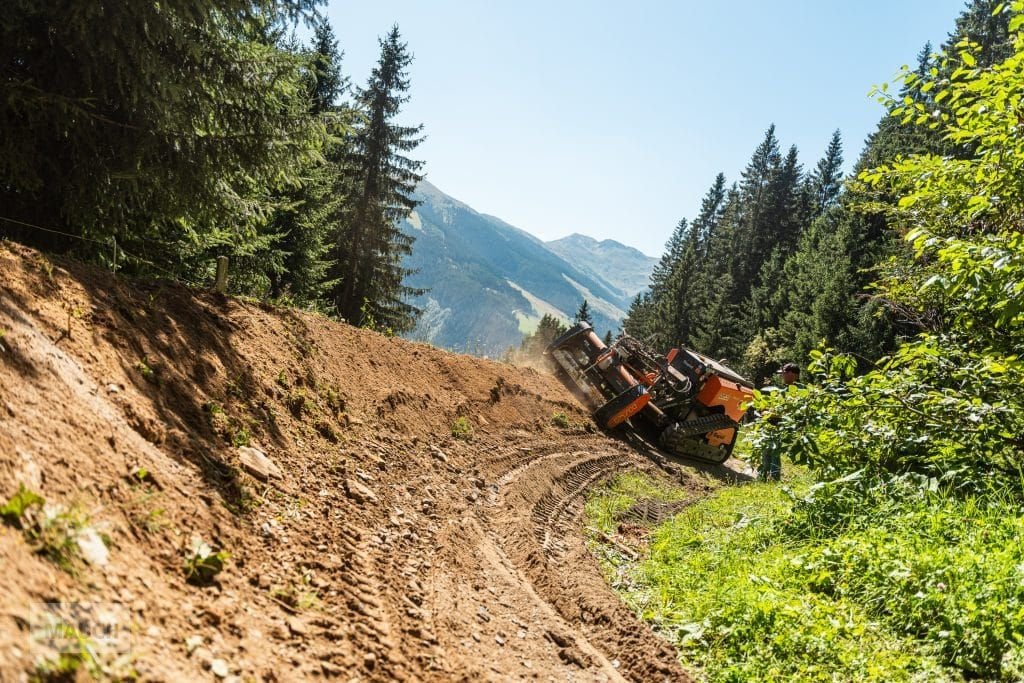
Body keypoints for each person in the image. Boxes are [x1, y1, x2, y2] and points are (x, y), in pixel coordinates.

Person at [758, 362, 800, 481]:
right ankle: (762, 477)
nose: (782, 376)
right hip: (772, 424)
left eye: (784, 374)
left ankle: (774, 479)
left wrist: (769, 413)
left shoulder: (798, 390)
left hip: (781, 426)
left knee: (774, 452)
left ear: (792, 374)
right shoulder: (784, 389)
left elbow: (790, 410)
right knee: (766, 451)